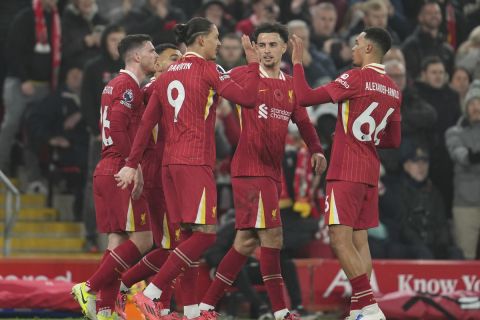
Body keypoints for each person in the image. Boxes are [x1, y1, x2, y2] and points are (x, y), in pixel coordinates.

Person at [114, 17, 261, 320]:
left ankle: (193, 313)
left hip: (169, 166)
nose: (220, 43)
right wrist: (254, 64)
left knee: (186, 243)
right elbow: (247, 99)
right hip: (195, 163)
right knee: (206, 236)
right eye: (217, 37)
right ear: (201, 40)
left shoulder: (166, 76)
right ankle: (151, 292)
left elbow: (146, 125)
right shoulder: (208, 70)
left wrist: (131, 164)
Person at [195, 22, 327, 320]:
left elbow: (304, 121)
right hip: (249, 169)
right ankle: (282, 312)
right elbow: (211, 88)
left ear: (284, 47)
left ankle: (205, 307)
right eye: (262, 45)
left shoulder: (290, 83)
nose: (267, 51)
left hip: (270, 171)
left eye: (272, 45)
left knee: (245, 242)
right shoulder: (243, 74)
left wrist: (317, 148)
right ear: (254, 48)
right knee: (273, 238)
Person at [291, 27, 402, 320]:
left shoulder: (354, 78)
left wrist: (298, 62)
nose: (352, 48)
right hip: (369, 171)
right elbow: (393, 140)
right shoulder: (393, 88)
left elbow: (303, 97)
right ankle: (359, 312)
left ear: (368, 49)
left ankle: (369, 306)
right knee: (360, 241)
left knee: (339, 240)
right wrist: (362, 136)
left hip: (345, 170)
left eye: (357, 43)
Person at [71, 34, 158, 320]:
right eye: (151, 50)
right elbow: (119, 125)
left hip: (107, 169)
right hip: (121, 169)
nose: (155, 54)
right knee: (144, 239)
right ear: (136, 56)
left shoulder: (115, 85)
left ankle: (106, 311)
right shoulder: (127, 86)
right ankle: (90, 287)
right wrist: (134, 164)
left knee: (117, 243)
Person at [115, 43, 183, 319]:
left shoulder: (169, 86)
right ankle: (126, 288)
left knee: (172, 246)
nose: (179, 63)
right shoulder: (155, 89)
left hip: (171, 171)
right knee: (173, 247)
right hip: (157, 173)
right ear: (157, 65)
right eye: (172, 58)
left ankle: (160, 306)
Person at [0, 0, 61, 189]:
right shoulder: (25, 17)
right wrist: (24, 78)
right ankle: (2, 168)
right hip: (19, 82)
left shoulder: (56, 20)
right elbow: (12, 50)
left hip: (43, 86)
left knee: (34, 132)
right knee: (11, 124)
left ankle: (33, 176)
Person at [80, 24, 126, 252]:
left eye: (120, 39)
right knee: (93, 185)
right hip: (100, 138)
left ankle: (124, 234)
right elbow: (86, 102)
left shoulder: (130, 68)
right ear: (104, 41)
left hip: (126, 140)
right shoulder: (93, 68)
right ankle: (90, 234)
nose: (116, 44)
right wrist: (97, 130)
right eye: (112, 39)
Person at [446, 80, 480, 260]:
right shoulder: (454, 132)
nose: (476, 107)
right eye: (472, 103)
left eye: (479, 102)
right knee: (465, 257)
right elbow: (462, 156)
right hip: (466, 205)